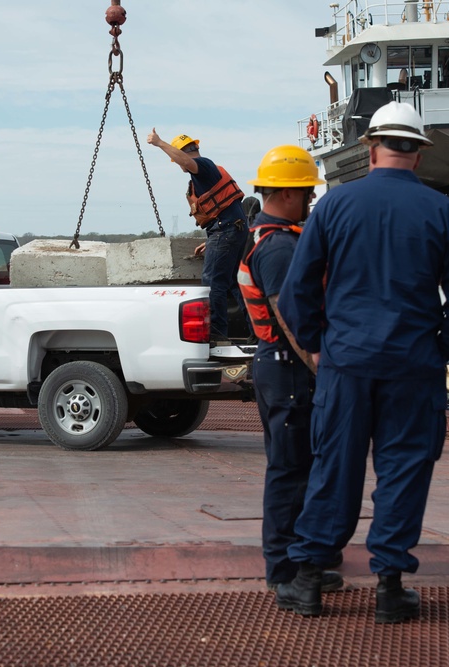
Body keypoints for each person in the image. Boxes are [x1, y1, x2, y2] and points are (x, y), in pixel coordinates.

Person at [274, 102, 449, 622]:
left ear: (370, 148)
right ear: (419, 154)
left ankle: (307, 582)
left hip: (346, 364)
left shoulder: (334, 206)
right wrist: (438, 349)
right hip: (413, 367)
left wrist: (319, 344)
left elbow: (298, 291)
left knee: (333, 468)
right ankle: (389, 588)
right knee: (404, 470)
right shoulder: (443, 212)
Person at [237, 145, 343, 593]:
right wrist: (320, 366)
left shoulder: (279, 239)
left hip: (282, 368)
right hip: (289, 369)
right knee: (289, 471)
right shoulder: (279, 247)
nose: (310, 201)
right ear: (287, 195)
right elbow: (290, 316)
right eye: (305, 193)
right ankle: (283, 571)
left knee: (301, 467)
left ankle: (302, 563)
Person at [147, 129, 248, 341]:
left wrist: (159, 143)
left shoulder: (203, 166)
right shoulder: (204, 174)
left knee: (213, 283)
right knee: (233, 283)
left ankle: (217, 334)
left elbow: (187, 161)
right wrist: (212, 240)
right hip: (229, 230)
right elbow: (226, 211)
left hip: (226, 231)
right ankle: (256, 330)